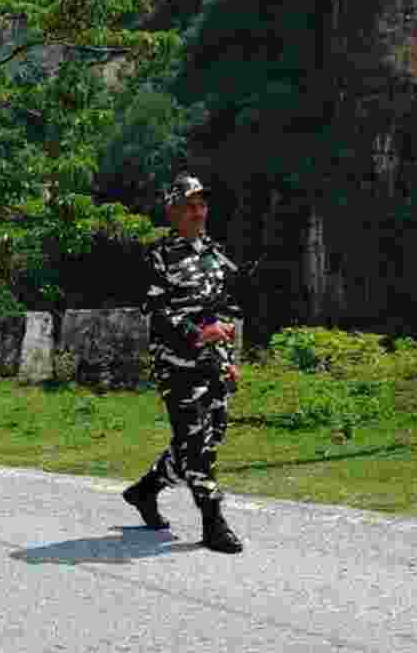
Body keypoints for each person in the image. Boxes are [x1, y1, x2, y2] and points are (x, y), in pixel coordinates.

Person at [122, 173, 245, 554]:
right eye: (189, 206)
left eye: (202, 205)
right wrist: (197, 334)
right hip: (177, 363)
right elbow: (157, 313)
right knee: (196, 443)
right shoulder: (158, 256)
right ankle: (213, 522)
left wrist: (228, 357)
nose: (198, 212)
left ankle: (146, 490)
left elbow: (225, 311)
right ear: (173, 211)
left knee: (212, 435)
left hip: (213, 361)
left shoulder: (215, 254)